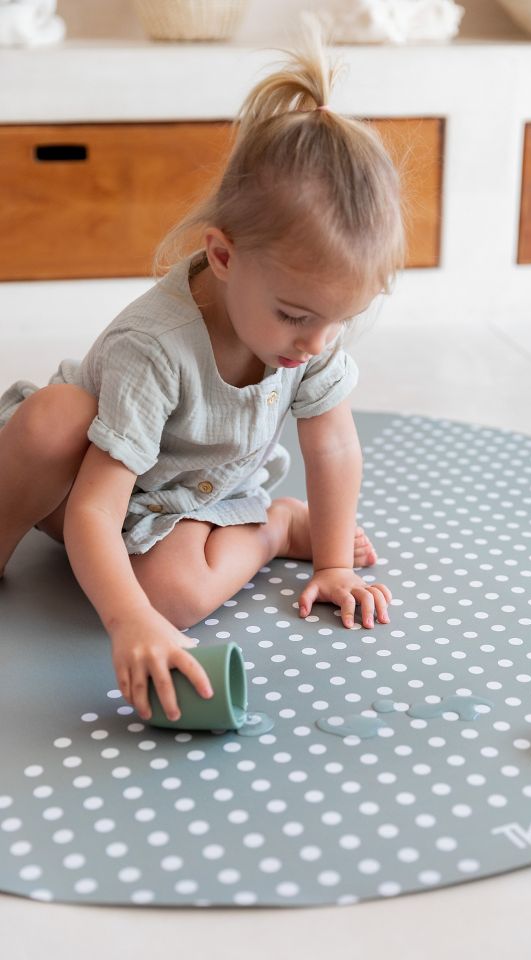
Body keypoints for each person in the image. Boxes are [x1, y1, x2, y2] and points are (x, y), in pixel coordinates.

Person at [0, 26, 405, 724]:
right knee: (50, 420)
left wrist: (332, 563)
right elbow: (96, 508)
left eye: (338, 322)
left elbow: (332, 443)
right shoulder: (154, 347)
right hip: (92, 481)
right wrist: (127, 622)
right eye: (295, 316)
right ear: (221, 255)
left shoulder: (311, 327)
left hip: (186, 499)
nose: (316, 343)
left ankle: (276, 529)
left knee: (175, 596)